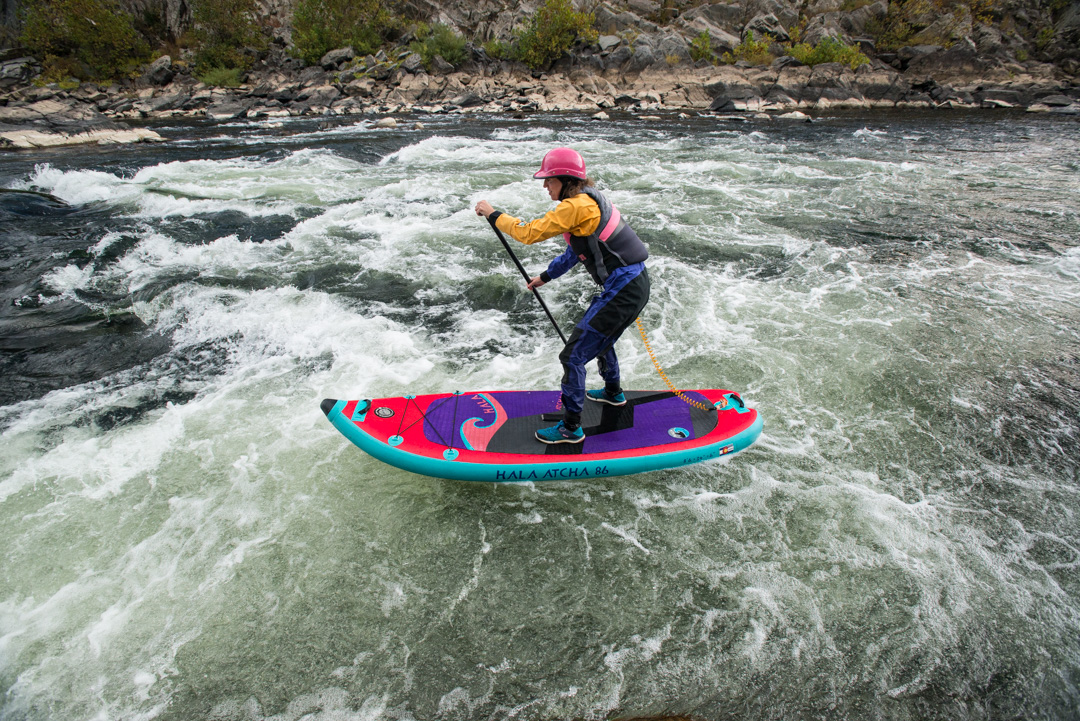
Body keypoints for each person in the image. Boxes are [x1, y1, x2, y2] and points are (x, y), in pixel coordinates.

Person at [474, 147, 650, 445]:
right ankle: (613, 393)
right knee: (601, 339)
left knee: (573, 355)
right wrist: (546, 276)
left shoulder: (575, 206)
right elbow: (576, 249)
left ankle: (571, 428)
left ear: (568, 180)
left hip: (625, 288)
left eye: (550, 180)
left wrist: (493, 213)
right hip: (631, 285)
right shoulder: (587, 200)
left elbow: (528, 233)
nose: (545, 186)